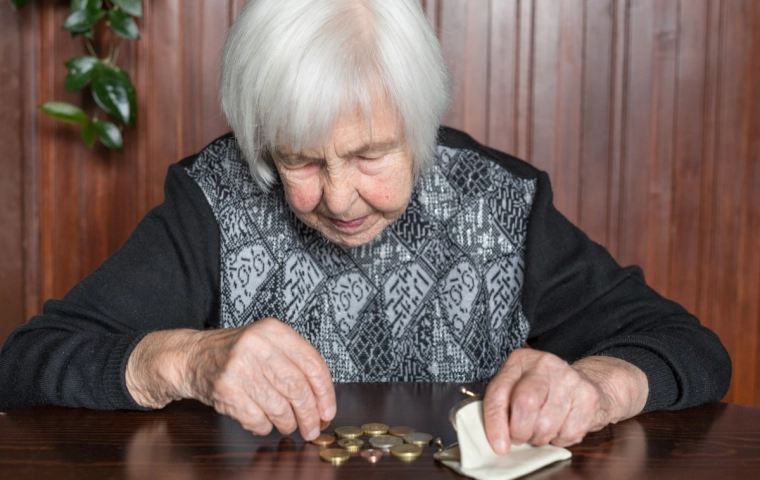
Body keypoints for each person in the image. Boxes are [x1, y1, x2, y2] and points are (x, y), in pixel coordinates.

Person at [0, 0, 730, 455]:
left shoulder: (501, 201)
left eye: (370, 154)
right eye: (301, 161)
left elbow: (689, 349)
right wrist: (184, 359)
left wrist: (596, 388)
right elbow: (26, 363)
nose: (341, 197)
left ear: (419, 128)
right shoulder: (210, 199)